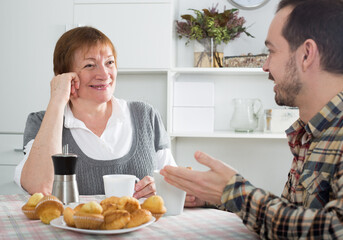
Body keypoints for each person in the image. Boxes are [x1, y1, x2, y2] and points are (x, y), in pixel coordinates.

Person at [160, 0, 343, 238]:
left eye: (271, 51)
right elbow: (298, 218)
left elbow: (335, 231)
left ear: (307, 54)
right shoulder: (311, 133)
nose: (265, 66)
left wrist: (236, 193)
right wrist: (219, 196)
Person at [14, 26, 176, 198]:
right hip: (68, 225)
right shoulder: (41, 121)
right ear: (63, 75)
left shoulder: (145, 115)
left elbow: (174, 187)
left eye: (109, 62)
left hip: (138, 225)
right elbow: (39, 188)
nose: (104, 74)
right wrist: (56, 100)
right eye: (89, 65)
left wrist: (160, 189)